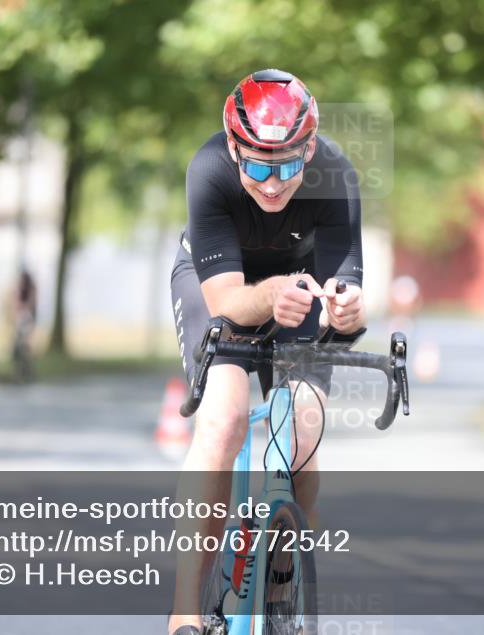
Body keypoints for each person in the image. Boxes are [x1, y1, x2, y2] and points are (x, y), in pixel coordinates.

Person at [167, 69, 366, 635]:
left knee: (303, 428)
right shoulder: (208, 170)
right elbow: (227, 301)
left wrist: (351, 312)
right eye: (255, 166)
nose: (272, 184)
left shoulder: (336, 175)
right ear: (234, 149)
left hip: (298, 290)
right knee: (224, 420)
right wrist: (273, 293)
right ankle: (184, 612)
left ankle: (282, 583)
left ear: (310, 149)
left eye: (286, 166)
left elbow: (345, 295)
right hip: (221, 287)